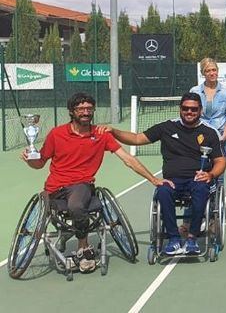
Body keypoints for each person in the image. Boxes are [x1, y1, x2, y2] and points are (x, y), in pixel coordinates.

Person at [22, 92, 165, 271]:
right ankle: (73, 234)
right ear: (71, 111)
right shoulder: (56, 134)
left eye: (89, 108)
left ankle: (84, 247)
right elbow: (40, 162)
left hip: (81, 185)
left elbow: (128, 159)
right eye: (80, 109)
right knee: (63, 206)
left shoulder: (101, 134)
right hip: (54, 188)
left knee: (75, 205)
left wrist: (152, 179)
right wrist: (30, 159)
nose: (85, 112)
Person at [107, 92, 226, 256]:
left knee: (201, 190)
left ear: (200, 110)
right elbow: (136, 139)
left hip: (198, 179)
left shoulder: (210, 132)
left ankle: (192, 238)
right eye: (185, 108)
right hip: (172, 181)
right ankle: (174, 239)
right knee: (162, 191)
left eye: (193, 109)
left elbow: (220, 161)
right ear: (180, 109)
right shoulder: (167, 127)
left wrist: (210, 175)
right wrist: (113, 131)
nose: (189, 112)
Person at [190, 57, 226, 183]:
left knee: (218, 177)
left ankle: (217, 203)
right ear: (203, 73)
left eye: (214, 70)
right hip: (200, 139)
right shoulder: (195, 91)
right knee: (200, 173)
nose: (212, 73)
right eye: (208, 71)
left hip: (222, 140)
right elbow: (191, 115)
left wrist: (223, 136)